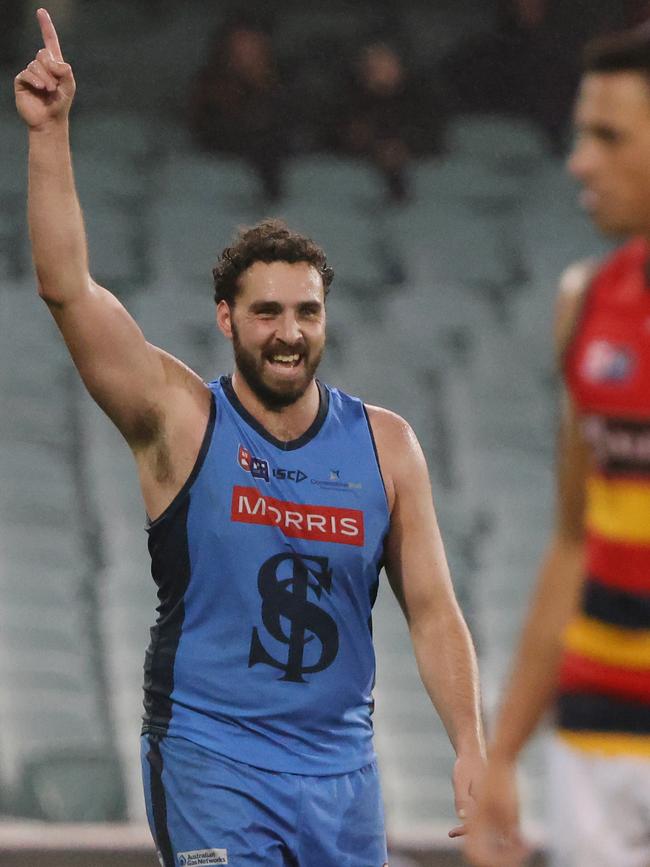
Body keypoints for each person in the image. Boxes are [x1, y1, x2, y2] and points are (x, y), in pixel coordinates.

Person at [16, 9, 486, 865]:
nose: (289, 331)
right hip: (212, 761)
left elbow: (433, 610)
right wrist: (50, 136)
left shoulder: (387, 447)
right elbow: (69, 292)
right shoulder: (179, 417)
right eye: (267, 310)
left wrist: (471, 745)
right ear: (228, 317)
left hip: (344, 778)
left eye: (307, 311)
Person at [465, 23, 650, 867]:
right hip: (595, 742)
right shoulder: (587, 303)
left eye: (607, 136)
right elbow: (575, 540)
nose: (578, 161)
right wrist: (502, 752)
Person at [189, 14, 290, 202]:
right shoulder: (211, 88)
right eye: (241, 45)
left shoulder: (285, 86)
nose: (247, 53)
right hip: (225, 164)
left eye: (253, 45)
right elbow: (209, 130)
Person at [333, 39, 447, 202]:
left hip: (418, 168)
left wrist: (404, 147)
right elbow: (336, 138)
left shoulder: (421, 100)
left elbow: (432, 136)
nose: (377, 71)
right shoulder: (348, 101)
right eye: (370, 66)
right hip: (360, 172)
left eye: (383, 64)